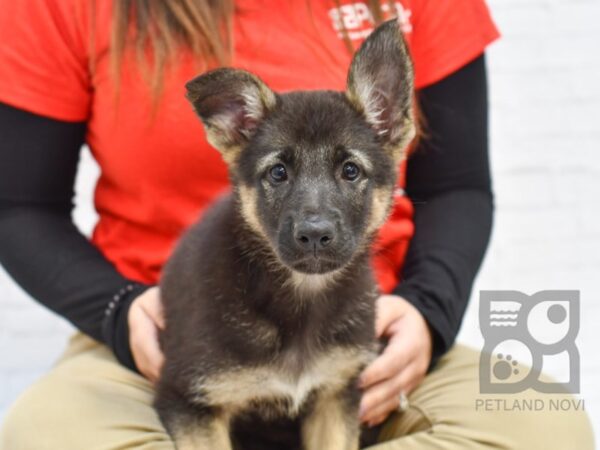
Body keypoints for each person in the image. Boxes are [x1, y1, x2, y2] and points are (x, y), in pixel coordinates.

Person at [0, 0, 593, 448]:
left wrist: (429, 312)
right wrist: (118, 311)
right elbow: (18, 206)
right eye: (280, 174)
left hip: (369, 335)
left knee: (545, 423)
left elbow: (458, 186)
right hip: (163, 339)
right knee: (43, 433)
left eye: (350, 174)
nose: (313, 221)